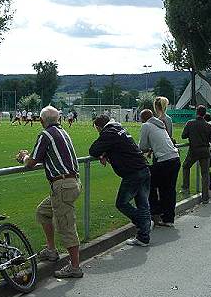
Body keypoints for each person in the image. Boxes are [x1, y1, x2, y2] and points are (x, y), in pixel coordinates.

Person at [16, 106, 83, 278]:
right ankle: (51, 250)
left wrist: (23, 156)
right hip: (71, 182)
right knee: (43, 212)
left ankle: (75, 267)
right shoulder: (63, 132)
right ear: (59, 119)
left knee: (65, 225)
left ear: (41, 121)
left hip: (62, 185)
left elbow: (31, 162)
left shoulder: (45, 134)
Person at [89, 114, 152, 246]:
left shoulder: (109, 132)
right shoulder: (119, 129)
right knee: (143, 203)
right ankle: (143, 238)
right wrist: (106, 153)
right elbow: (118, 146)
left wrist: (102, 153)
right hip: (143, 168)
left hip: (133, 173)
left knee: (121, 203)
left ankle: (144, 223)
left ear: (99, 127)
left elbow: (93, 150)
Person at [138, 109, 180, 227]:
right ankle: (168, 218)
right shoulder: (160, 125)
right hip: (175, 158)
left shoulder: (146, 126)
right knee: (169, 189)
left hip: (164, 160)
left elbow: (142, 146)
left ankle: (155, 211)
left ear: (143, 119)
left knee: (148, 182)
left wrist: (148, 148)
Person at [180, 105, 211, 204]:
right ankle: (205, 198)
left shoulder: (190, 123)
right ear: (204, 113)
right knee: (205, 174)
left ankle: (186, 187)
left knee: (186, 166)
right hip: (205, 151)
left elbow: (183, 136)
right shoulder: (208, 125)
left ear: (196, 112)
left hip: (194, 150)